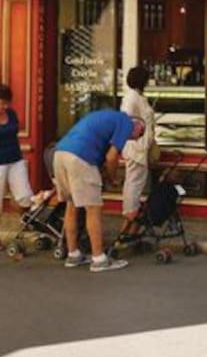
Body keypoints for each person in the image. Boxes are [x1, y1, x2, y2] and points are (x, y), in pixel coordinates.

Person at [53, 109, 145, 273]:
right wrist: (112, 179)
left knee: (71, 205)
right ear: (137, 126)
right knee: (93, 209)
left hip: (60, 153)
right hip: (80, 157)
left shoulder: (106, 118)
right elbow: (111, 157)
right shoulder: (125, 122)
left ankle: (73, 254)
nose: (135, 139)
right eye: (139, 135)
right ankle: (99, 259)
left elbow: (100, 151)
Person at [0, 84, 51, 248]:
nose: (5, 106)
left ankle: (25, 224)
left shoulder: (11, 114)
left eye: (7, 103)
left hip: (15, 159)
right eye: (2, 103)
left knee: (24, 196)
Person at [120, 66, 156, 235]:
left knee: (135, 184)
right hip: (136, 149)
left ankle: (130, 218)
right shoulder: (132, 98)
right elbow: (127, 120)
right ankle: (130, 217)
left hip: (140, 147)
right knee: (134, 184)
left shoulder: (137, 97)